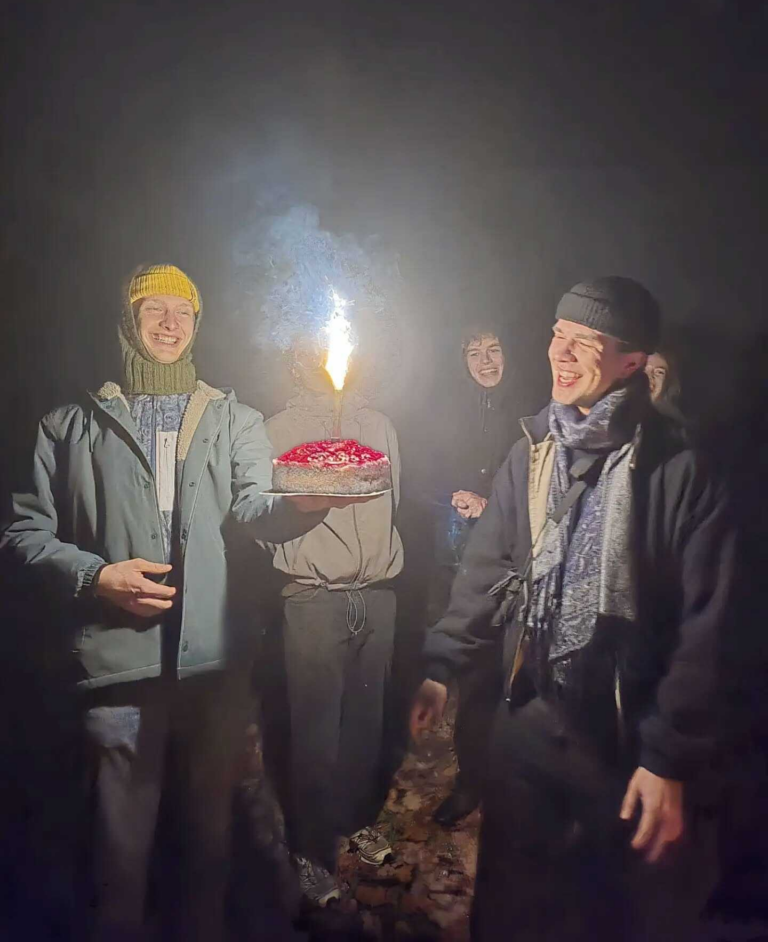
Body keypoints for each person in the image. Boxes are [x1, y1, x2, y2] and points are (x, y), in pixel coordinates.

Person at [1, 265, 349, 942]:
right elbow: (22, 535)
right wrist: (97, 577)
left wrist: (306, 503)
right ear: (127, 321)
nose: (169, 323)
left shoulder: (233, 418)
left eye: (183, 312)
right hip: (118, 668)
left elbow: (255, 508)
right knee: (118, 857)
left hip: (213, 668)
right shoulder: (69, 426)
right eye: (153, 308)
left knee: (207, 849)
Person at [410, 276, 735, 942]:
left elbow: (707, 631)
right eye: (558, 334)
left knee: (606, 913)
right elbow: (488, 569)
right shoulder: (531, 453)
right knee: (509, 907)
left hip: (621, 737)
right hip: (528, 719)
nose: (559, 352)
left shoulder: (680, 471)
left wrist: (667, 756)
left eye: (585, 342)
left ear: (632, 361)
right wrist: (443, 665)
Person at [261, 337, 403, 908]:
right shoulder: (277, 431)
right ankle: (312, 850)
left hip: (377, 596)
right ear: (297, 362)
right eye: (310, 355)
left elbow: (394, 500)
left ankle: (354, 819)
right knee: (315, 734)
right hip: (313, 598)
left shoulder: (381, 425)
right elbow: (263, 521)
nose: (324, 363)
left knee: (366, 726)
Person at [427, 327, 523, 827]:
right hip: (467, 560)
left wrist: (494, 505)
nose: (486, 361)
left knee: (519, 678)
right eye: (474, 352)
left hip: (520, 563)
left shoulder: (530, 411)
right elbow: (427, 476)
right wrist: (453, 496)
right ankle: (471, 781)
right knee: (477, 677)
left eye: (495, 349)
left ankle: (517, 784)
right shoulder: (447, 411)